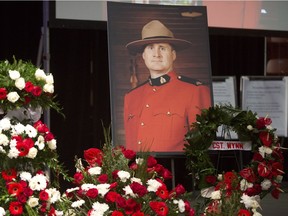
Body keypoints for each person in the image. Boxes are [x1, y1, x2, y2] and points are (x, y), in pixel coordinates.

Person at [124, 20, 211, 152]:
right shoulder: (131, 97)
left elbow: (203, 147)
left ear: (173, 55)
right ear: (144, 56)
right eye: (150, 48)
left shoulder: (195, 90)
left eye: (162, 48)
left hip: (177, 170)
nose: (156, 54)